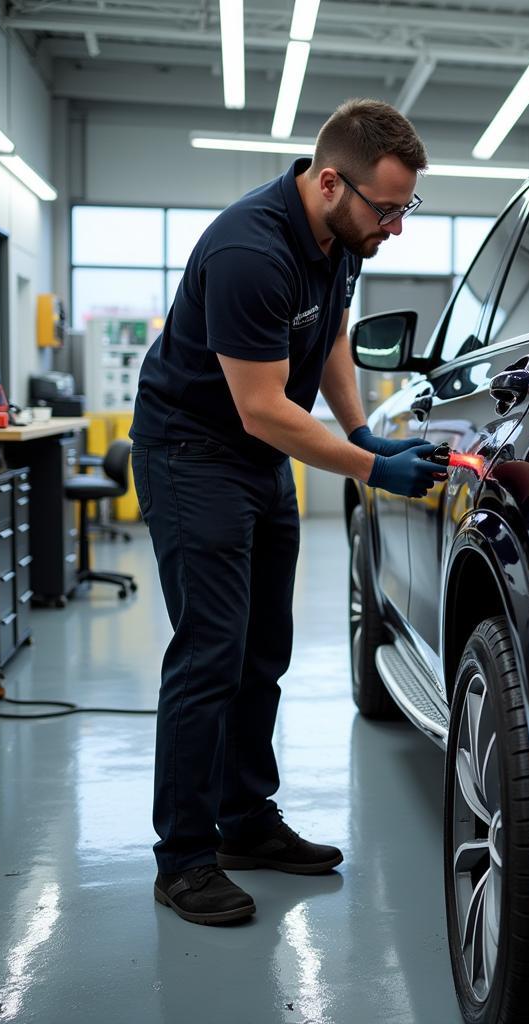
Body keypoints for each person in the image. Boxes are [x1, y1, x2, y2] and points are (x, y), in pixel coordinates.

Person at [129, 99, 443, 926]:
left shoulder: (341, 238)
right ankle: (185, 859)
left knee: (263, 650)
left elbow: (332, 329)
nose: (396, 228)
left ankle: (247, 824)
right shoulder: (249, 251)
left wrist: (360, 425)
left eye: (406, 209)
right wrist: (375, 467)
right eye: (388, 209)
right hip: (191, 455)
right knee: (210, 656)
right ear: (330, 180)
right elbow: (263, 406)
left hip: (260, 463)